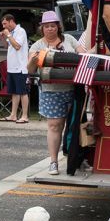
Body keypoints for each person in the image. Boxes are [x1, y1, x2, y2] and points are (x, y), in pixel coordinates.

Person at [29, 10, 85, 175]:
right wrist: (33, 60)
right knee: (55, 126)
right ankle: (53, 161)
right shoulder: (37, 45)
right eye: (46, 26)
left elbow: (83, 53)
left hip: (73, 88)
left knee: (75, 126)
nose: (50, 29)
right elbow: (30, 69)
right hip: (51, 91)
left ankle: (76, 159)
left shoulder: (70, 39)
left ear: (58, 27)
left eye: (53, 26)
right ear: (42, 28)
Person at [0, 13, 30, 123]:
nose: (4, 26)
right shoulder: (11, 33)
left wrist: (8, 35)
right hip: (12, 67)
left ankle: (25, 116)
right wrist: (4, 37)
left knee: (23, 92)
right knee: (14, 92)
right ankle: (13, 115)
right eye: (3, 24)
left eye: (5, 23)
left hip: (20, 67)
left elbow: (17, 46)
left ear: (11, 21)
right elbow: (7, 46)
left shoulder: (20, 31)